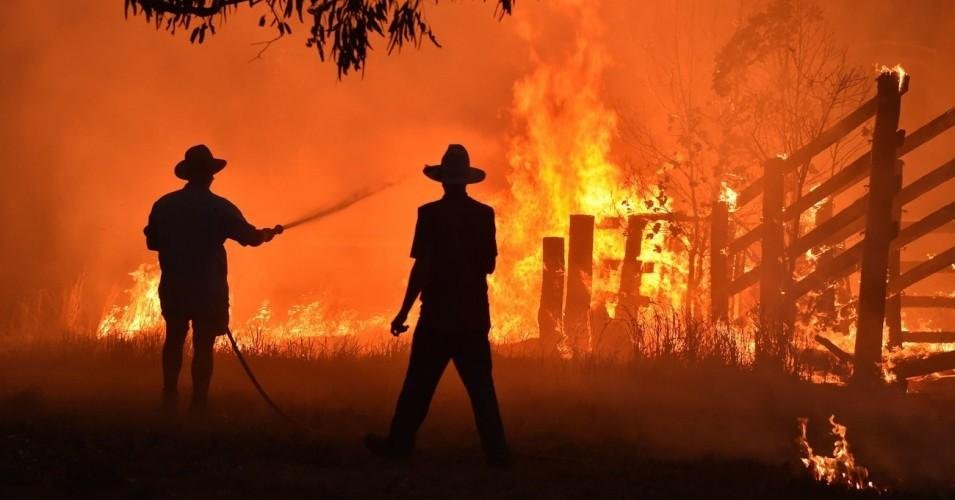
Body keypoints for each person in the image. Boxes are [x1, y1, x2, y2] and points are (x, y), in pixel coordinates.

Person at [365, 144, 510, 467]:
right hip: (472, 317)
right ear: (466, 181)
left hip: (437, 318)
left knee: (417, 385)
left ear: (443, 181)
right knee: (482, 390)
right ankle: (498, 455)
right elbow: (489, 265)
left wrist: (403, 312)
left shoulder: (429, 214)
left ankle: (398, 445)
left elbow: (422, 267)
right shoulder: (484, 215)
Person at [144, 144, 282, 414]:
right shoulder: (219, 208)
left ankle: (169, 396)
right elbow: (250, 238)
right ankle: (199, 403)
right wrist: (266, 234)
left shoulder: (164, 205)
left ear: (187, 175)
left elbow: (153, 243)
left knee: (174, 338)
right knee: (203, 345)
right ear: (209, 176)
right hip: (208, 288)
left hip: (174, 285)